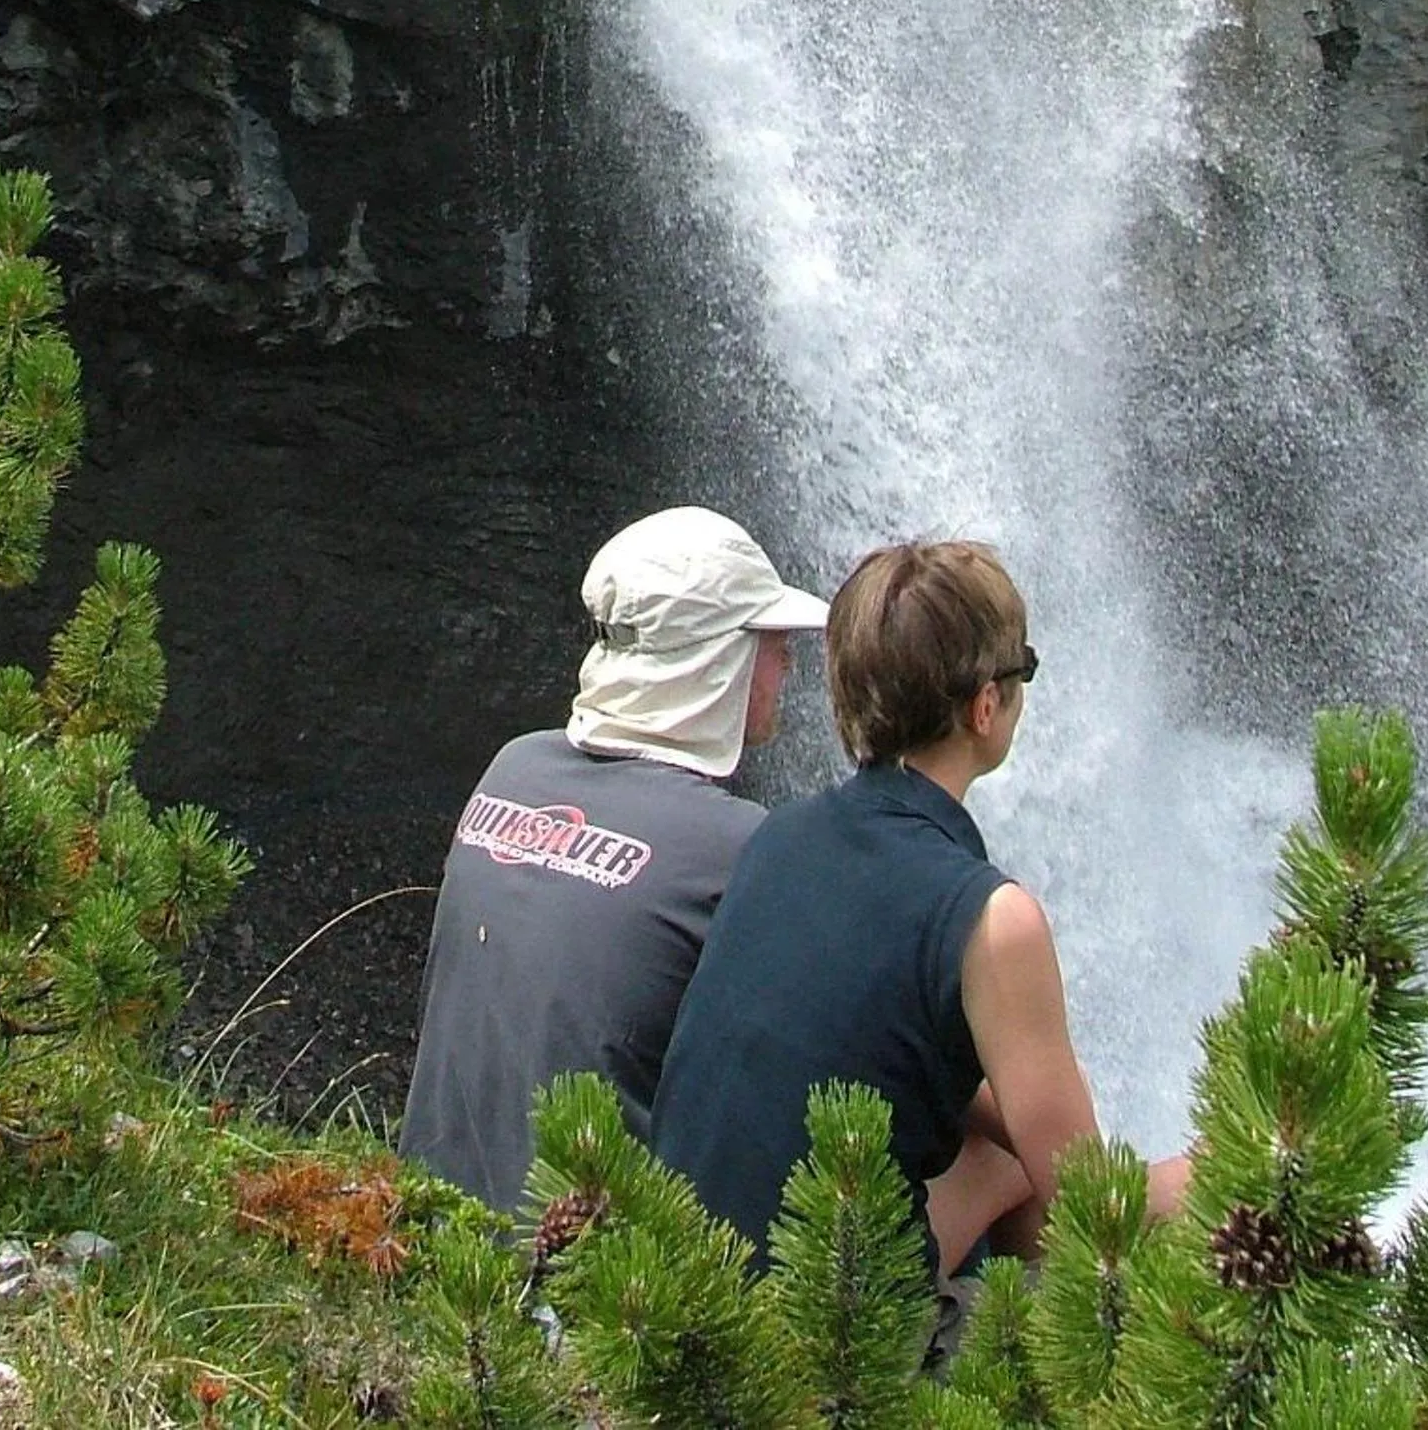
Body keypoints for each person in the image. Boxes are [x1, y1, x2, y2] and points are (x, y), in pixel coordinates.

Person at [651, 539, 1190, 1274]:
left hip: (683, 1288)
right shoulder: (993, 920)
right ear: (986, 705)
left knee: (1006, 1154)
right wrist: (1250, 1147)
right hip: (824, 1337)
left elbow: (865, 1041)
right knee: (1026, 1178)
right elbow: (1095, 1212)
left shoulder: (778, 838)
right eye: (1022, 668)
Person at [397, 505, 830, 1217]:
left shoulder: (513, 767)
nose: (787, 663)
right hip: (588, 1290)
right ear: (716, 661)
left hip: (426, 1236)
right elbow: (815, 1094)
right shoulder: (742, 848)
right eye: (771, 641)